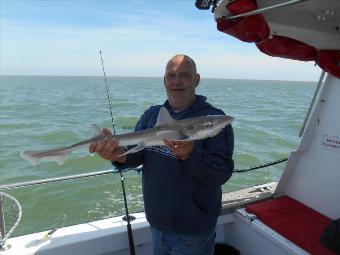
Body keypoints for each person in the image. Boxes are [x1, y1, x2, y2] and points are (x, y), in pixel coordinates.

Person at [89, 54, 234, 255]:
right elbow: (136, 156)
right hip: (156, 224)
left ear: (196, 80)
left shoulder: (211, 122)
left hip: (193, 231)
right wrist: (118, 155)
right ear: (164, 80)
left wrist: (191, 153)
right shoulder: (152, 115)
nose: (176, 82)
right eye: (171, 75)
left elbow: (221, 174)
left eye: (184, 75)